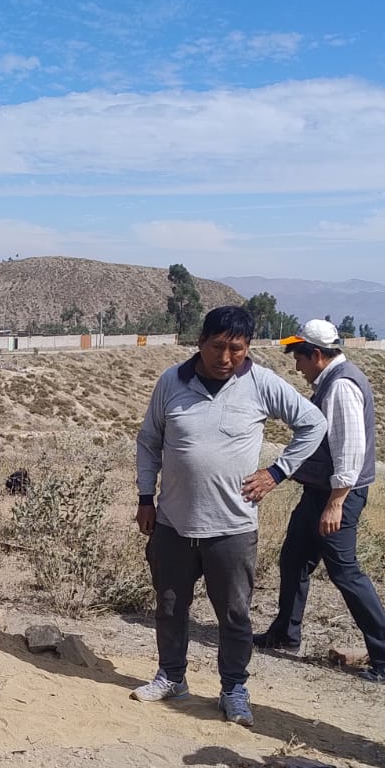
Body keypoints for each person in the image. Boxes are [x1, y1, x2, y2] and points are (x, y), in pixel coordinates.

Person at [134, 305, 326, 723]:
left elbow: (313, 424)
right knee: (169, 606)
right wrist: (146, 497)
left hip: (233, 527)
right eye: (217, 347)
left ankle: (234, 688)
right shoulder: (171, 382)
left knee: (234, 615)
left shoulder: (261, 383)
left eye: (236, 349)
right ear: (200, 342)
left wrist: (277, 472)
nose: (225, 358)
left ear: (248, 348)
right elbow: (149, 441)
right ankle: (171, 676)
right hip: (172, 522)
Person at [252, 319, 385, 683]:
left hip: (337, 494)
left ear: (317, 355)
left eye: (299, 357)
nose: (296, 366)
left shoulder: (340, 386)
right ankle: (285, 632)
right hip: (320, 492)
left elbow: (351, 450)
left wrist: (336, 501)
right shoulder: (333, 380)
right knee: (294, 557)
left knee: (346, 572)